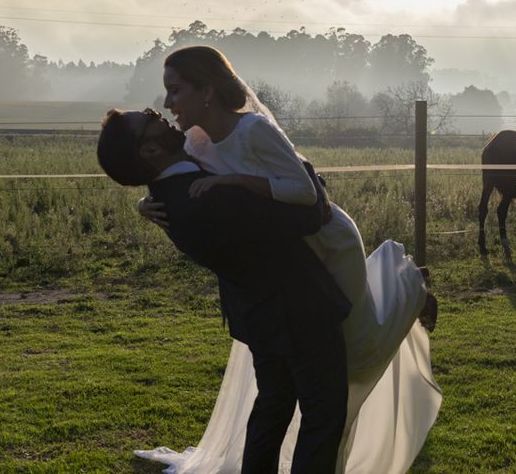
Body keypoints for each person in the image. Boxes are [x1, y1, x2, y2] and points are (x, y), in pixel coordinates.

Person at [137, 45, 441, 473]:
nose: (168, 104)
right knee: (301, 383)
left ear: (207, 90)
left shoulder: (255, 131)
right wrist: (144, 204)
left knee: (360, 341)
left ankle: (412, 288)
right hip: (286, 267)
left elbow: (305, 193)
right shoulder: (195, 141)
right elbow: (173, 176)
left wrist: (236, 181)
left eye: (175, 90)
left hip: (328, 241)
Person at [98, 108, 352, 473]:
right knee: (323, 413)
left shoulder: (166, 195)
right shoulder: (203, 199)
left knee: (274, 405)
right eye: (151, 118)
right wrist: (309, 177)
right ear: (149, 150)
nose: (162, 116)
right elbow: (310, 214)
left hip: (258, 312)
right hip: (296, 307)